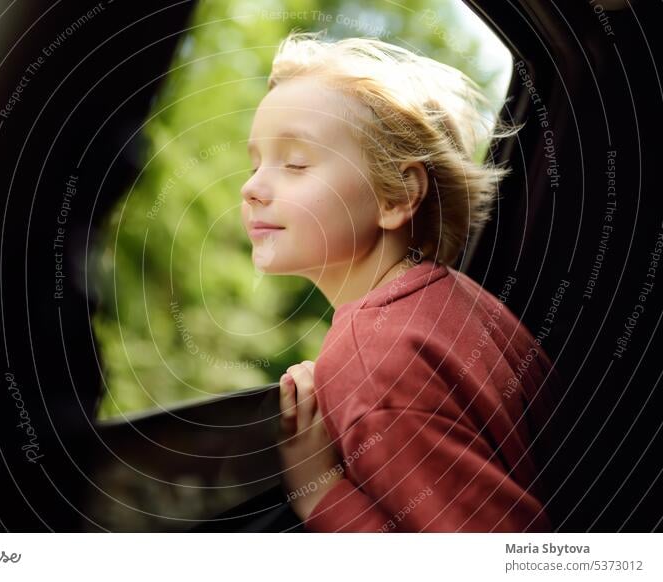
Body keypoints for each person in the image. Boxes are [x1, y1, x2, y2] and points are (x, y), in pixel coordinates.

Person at [240, 30, 561, 532]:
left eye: (295, 163)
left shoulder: (372, 359)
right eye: (255, 162)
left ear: (395, 196)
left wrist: (320, 492)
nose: (252, 187)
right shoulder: (460, 301)